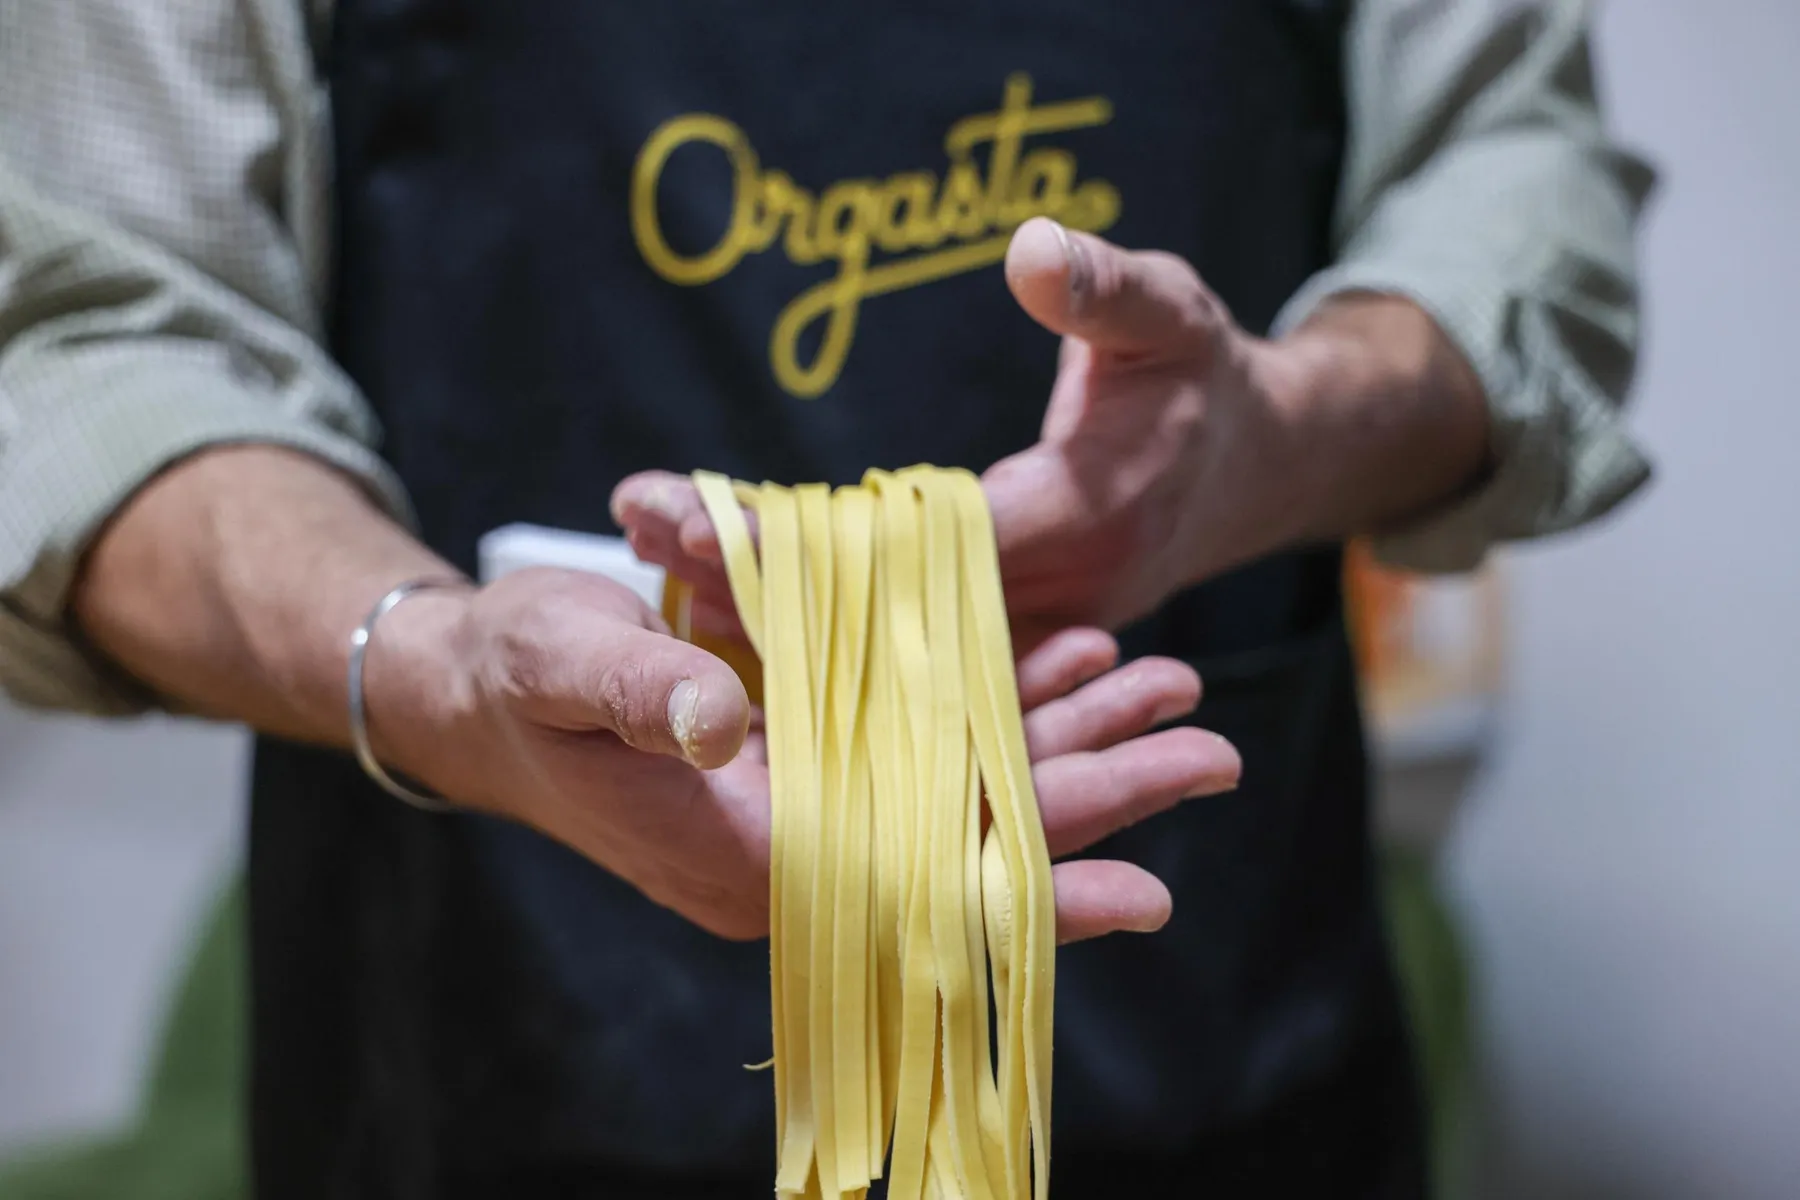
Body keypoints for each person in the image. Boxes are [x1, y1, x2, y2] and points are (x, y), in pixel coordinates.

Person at [0, 0, 1652, 1196]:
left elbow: (1512, 172)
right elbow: (95, 341)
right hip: (469, 1060)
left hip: (1210, 1056)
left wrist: (1285, 432)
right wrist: (432, 663)